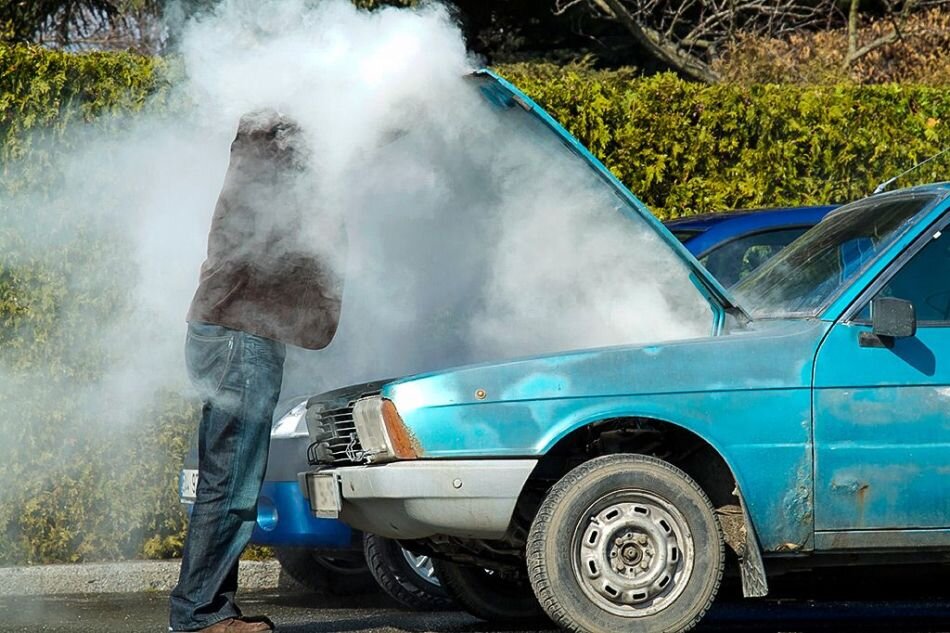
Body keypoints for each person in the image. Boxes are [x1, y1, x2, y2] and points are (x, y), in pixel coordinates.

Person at [169, 109, 343, 633]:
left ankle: (205, 608)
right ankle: (200, 615)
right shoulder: (272, 145)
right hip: (240, 339)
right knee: (231, 486)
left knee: (226, 482)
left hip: (235, 334)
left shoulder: (260, 151)